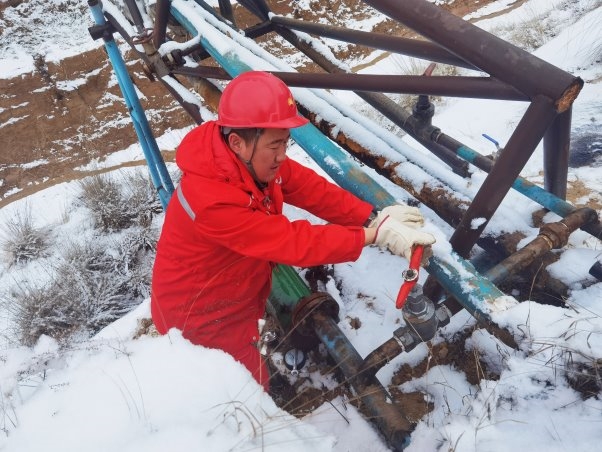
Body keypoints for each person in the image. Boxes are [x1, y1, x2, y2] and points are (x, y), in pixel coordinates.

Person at [151, 71, 435, 390]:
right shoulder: (212, 202)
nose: (282, 155)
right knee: (244, 391)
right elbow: (292, 241)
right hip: (201, 319)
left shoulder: (250, 160)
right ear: (237, 143)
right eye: (276, 145)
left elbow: (310, 188)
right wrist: (373, 236)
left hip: (237, 296)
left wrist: (372, 217)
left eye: (285, 143)